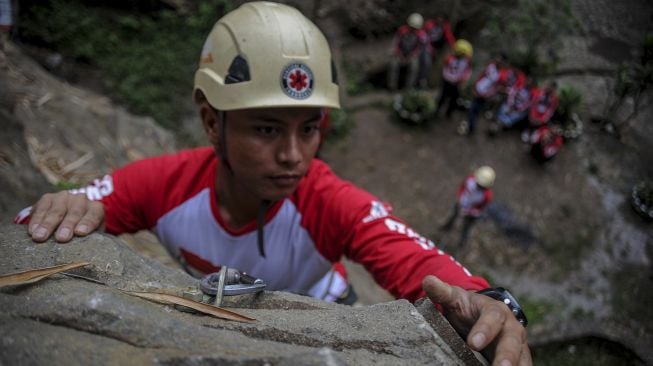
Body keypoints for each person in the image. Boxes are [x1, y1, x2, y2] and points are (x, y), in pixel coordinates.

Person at [16, 3, 531, 365]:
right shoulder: (165, 184)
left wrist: (489, 301)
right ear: (211, 121)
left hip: (330, 311)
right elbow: (67, 213)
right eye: (266, 128)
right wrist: (65, 207)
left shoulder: (327, 201)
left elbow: (408, 253)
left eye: (308, 129)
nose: (293, 156)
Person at [440, 166, 495, 248]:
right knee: (454, 215)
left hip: (471, 214)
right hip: (462, 203)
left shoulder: (486, 196)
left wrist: (469, 211)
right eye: (478, 184)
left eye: (482, 186)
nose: (479, 186)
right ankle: (447, 226)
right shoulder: (470, 180)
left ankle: (462, 241)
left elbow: (480, 208)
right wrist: (460, 197)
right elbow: (463, 187)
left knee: (466, 227)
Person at [458, 53, 506, 136]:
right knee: (473, 110)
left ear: (503, 62)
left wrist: (484, 95)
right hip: (478, 89)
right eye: (497, 58)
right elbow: (482, 75)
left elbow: (497, 88)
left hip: (485, 95)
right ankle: (469, 126)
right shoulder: (491, 66)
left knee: (474, 110)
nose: (498, 60)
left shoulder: (502, 75)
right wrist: (475, 86)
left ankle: (470, 128)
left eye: (500, 59)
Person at [387, 13, 428, 91]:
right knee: (393, 65)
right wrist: (399, 53)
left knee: (414, 67)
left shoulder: (420, 34)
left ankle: (409, 87)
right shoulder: (402, 30)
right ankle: (392, 86)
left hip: (411, 55)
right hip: (400, 53)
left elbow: (419, 47)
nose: (413, 29)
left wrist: (411, 55)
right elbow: (396, 43)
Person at [435, 39, 473, 119]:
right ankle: (437, 111)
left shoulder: (466, 61)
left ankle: (449, 113)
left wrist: (462, 80)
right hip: (448, 81)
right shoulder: (450, 58)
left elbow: (467, 72)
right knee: (443, 97)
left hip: (456, 83)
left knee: (453, 99)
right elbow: (444, 67)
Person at [419, 15, 456, 88]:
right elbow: (423, 34)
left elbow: (449, 37)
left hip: (437, 49)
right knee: (427, 63)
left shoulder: (445, 27)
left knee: (434, 65)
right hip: (426, 46)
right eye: (438, 18)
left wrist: (454, 47)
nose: (439, 20)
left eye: (441, 19)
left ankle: (428, 82)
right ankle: (422, 81)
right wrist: (427, 44)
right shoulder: (429, 24)